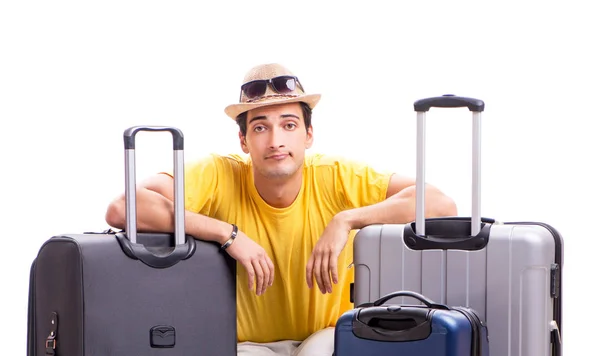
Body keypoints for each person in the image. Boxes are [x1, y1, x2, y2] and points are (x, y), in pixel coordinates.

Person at [105, 63, 458, 356]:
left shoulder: (336, 177)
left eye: (288, 125)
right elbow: (124, 207)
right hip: (247, 344)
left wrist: (347, 219)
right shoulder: (219, 173)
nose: (275, 141)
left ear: (308, 135)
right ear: (243, 141)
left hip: (326, 336)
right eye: (261, 127)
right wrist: (225, 233)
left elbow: (441, 204)